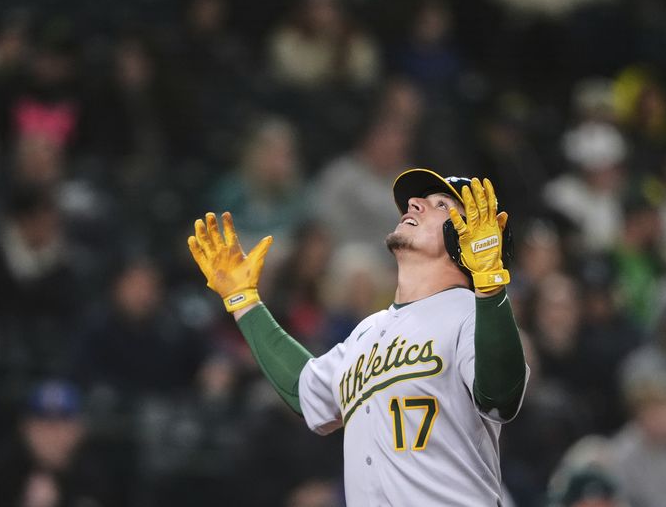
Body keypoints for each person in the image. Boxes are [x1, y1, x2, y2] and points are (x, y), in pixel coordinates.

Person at [188, 168, 528, 505]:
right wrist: (245, 303)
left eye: (440, 205)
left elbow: (499, 397)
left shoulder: (473, 312)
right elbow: (303, 388)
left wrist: (490, 284)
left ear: (471, 236)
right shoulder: (367, 331)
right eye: (417, 200)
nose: (414, 203)